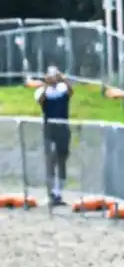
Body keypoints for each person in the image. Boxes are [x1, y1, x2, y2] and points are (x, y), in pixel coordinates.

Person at [35, 66, 74, 206]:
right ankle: (50, 192)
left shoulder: (63, 88)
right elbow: (41, 100)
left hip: (63, 127)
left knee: (62, 158)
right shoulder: (42, 90)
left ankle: (59, 192)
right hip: (49, 129)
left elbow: (70, 92)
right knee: (50, 159)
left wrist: (63, 79)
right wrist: (46, 84)